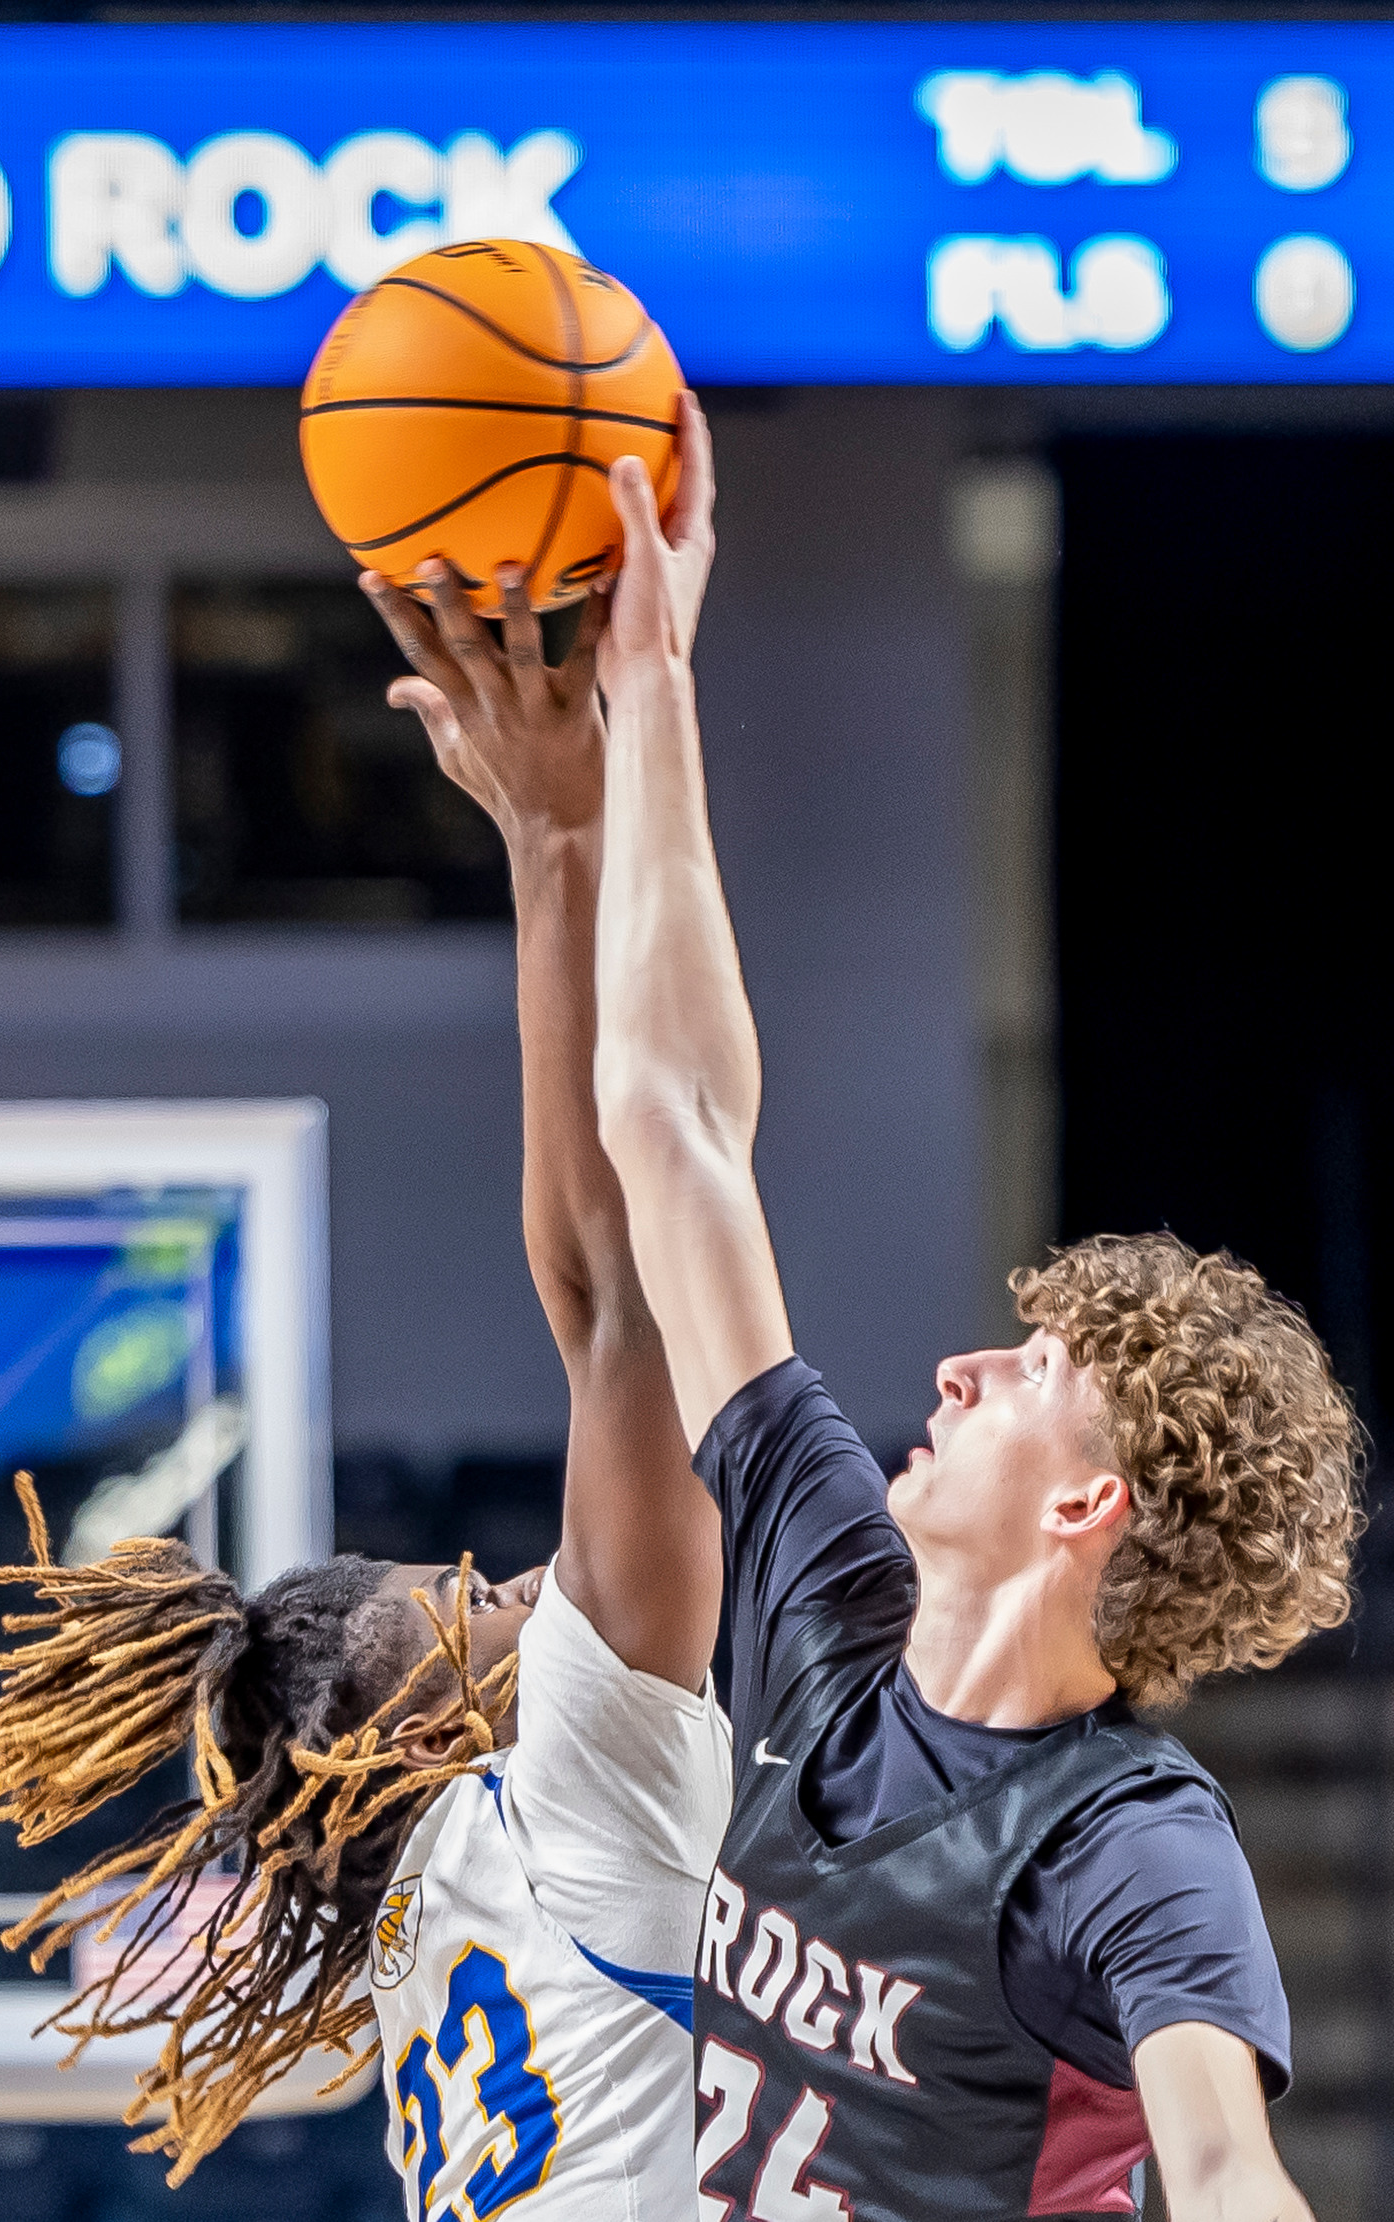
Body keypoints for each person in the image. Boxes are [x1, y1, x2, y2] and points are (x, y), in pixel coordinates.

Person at [589, 395, 1363, 2222]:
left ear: (1090, 1501)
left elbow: (1230, 2161)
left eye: (1026, 1373)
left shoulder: (1127, 1840)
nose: (956, 1364)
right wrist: (655, 687)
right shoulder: (831, 1593)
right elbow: (673, 1123)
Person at [0, 539, 730, 2216]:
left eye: (471, 1586)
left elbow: (602, 1306)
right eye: (471, 1597)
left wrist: (549, 846)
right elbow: (614, 1300)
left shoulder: (427, 1919)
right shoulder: (565, 1798)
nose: (518, 1575)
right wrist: (563, 830)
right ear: (415, 1743)